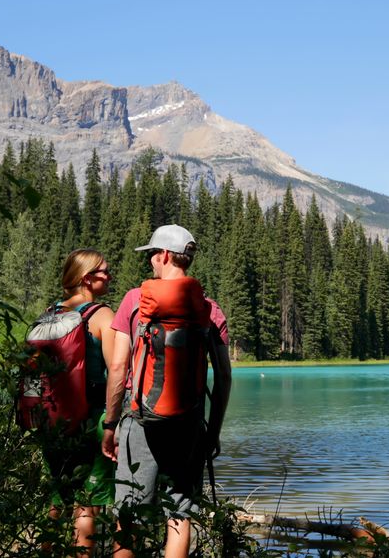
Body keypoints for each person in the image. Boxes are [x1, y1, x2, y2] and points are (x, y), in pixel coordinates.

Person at [101, 224, 232, 558]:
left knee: (129, 517)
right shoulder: (208, 308)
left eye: (151, 256)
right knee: (179, 512)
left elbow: (118, 368)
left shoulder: (134, 300)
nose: (150, 263)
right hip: (188, 423)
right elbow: (224, 378)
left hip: (139, 420)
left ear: (162, 255)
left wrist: (110, 424)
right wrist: (212, 432)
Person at [36, 249, 116, 556]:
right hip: (89, 418)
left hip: (52, 419)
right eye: (104, 272)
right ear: (87, 279)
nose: (110, 276)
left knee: (56, 501)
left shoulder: (49, 312)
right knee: (87, 505)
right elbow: (118, 372)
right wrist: (113, 422)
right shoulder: (101, 316)